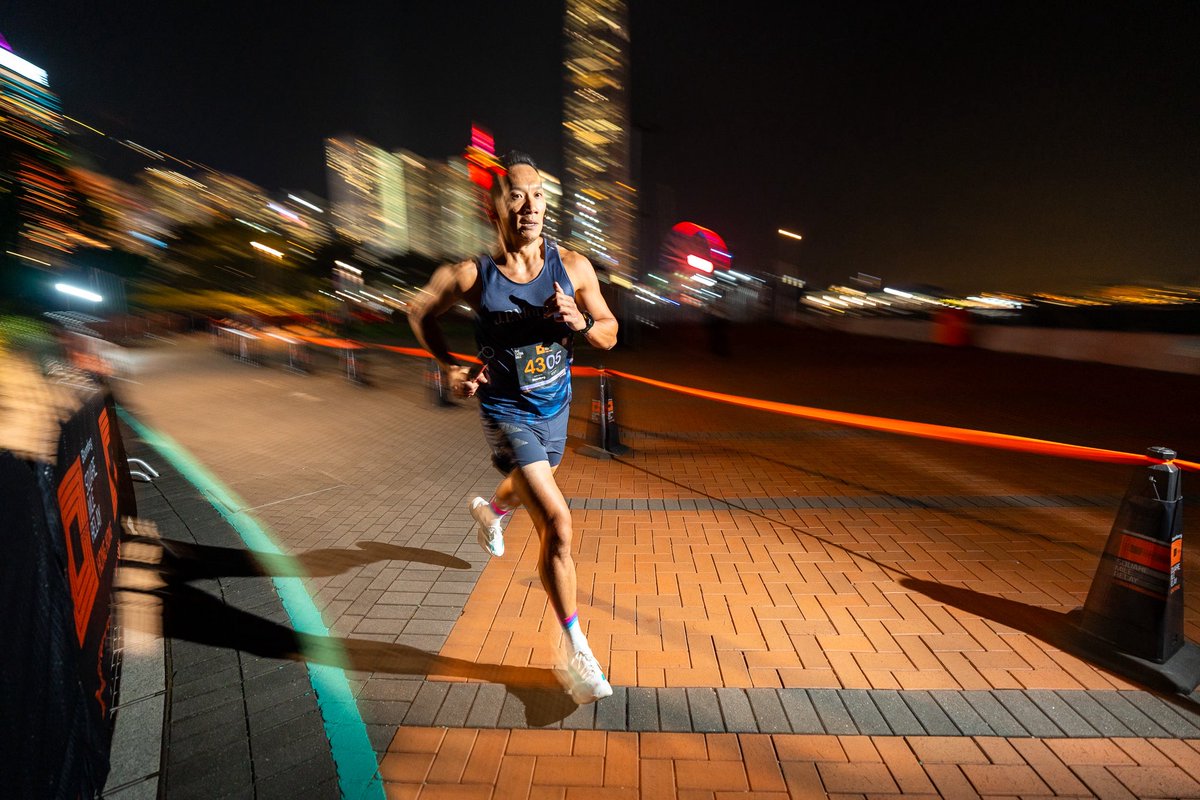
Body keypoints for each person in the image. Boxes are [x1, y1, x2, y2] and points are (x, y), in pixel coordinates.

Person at [408, 151, 618, 704]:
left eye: (539, 195)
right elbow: (419, 311)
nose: (529, 206)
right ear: (494, 205)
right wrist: (448, 365)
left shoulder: (572, 267)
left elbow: (611, 331)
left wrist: (584, 323)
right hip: (505, 413)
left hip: (556, 407)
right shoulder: (472, 275)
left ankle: (490, 509)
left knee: (533, 483)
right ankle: (574, 649)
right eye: (517, 195)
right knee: (557, 520)